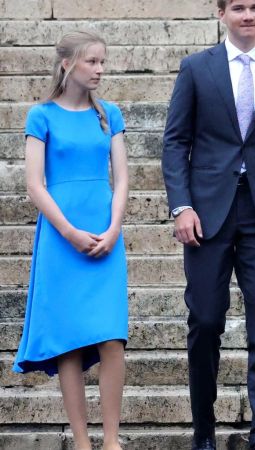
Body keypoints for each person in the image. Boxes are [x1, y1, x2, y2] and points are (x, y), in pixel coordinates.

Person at [161, 0, 255, 448]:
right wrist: (180, 206)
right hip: (206, 214)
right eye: (238, 7)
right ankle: (203, 434)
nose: (248, 15)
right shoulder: (195, 68)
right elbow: (175, 142)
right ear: (221, 13)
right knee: (206, 321)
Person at [13, 31, 128, 450]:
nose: (100, 69)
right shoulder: (40, 115)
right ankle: (82, 442)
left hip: (105, 231)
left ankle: (112, 440)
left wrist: (113, 228)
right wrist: (69, 232)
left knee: (112, 336)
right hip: (63, 236)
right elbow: (34, 184)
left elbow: (122, 178)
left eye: (103, 62)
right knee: (70, 342)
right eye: (91, 62)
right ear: (67, 64)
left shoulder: (110, 113)